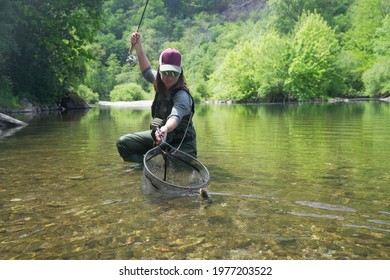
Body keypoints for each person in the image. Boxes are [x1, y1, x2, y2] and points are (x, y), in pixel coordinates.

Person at [116, 32, 197, 165]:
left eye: (174, 73)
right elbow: (146, 71)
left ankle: (164, 163)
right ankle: (147, 167)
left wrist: (165, 128)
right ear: (159, 70)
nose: (169, 77)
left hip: (182, 144)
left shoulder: (182, 96)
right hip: (160, 137)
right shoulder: (158, 82)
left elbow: (176, 115)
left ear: (180, 72)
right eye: (165, 72)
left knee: (176, 170)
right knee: (124, 144)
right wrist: (138, 47)